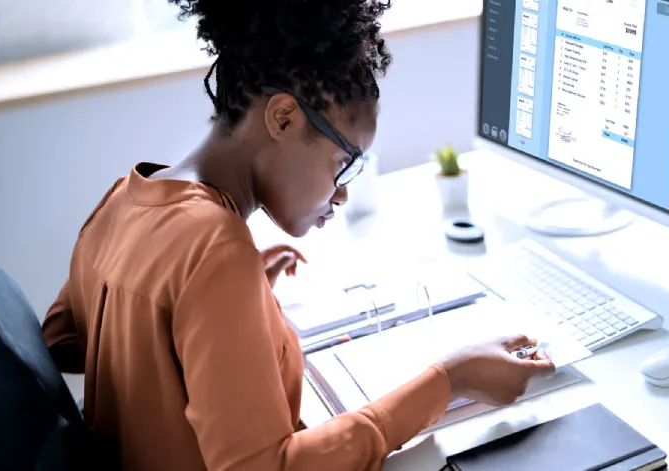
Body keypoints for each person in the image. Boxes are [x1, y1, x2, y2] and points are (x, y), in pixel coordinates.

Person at [40, 0, 556, 470]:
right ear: (283, 118)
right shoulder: (214, 250)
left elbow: (63, 342)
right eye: (342, 164)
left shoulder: (125, 199)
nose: (342, 194)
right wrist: (451, 379)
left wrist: (208, 313)